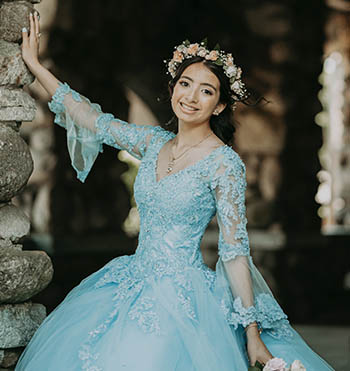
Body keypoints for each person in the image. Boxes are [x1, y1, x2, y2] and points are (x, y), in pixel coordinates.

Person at [15, 12, 334, 371]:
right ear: (172, 89)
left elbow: (234, 252)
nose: (192, 97)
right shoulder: (153, 142)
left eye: (207, 90)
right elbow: (91, 118)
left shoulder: (223, 164)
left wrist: (252, 331)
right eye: (185, 84)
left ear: (221, 105)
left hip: (184, 298)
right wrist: (35, 65)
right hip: (129, 282)